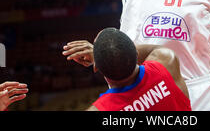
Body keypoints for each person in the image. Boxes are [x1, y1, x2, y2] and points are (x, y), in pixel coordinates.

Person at [63, 28, 191, 111]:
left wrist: (102, 56)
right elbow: (151, 50)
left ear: (96, 67)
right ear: (135, 52)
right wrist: (101, 54)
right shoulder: (167, 61)